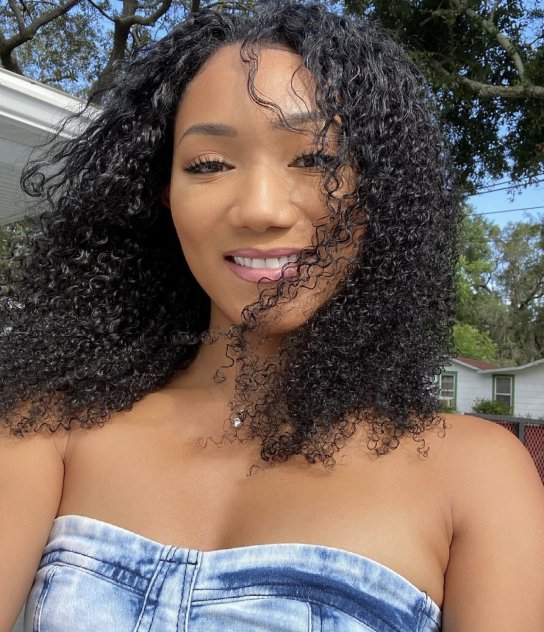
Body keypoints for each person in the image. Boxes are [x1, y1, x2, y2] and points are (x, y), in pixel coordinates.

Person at [1, 1, 543, 630]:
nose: (260, 209)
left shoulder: (477, 475)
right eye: (209, 164)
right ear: (163, 195)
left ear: (381, 190)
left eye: (315, 159)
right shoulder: (52, 430)